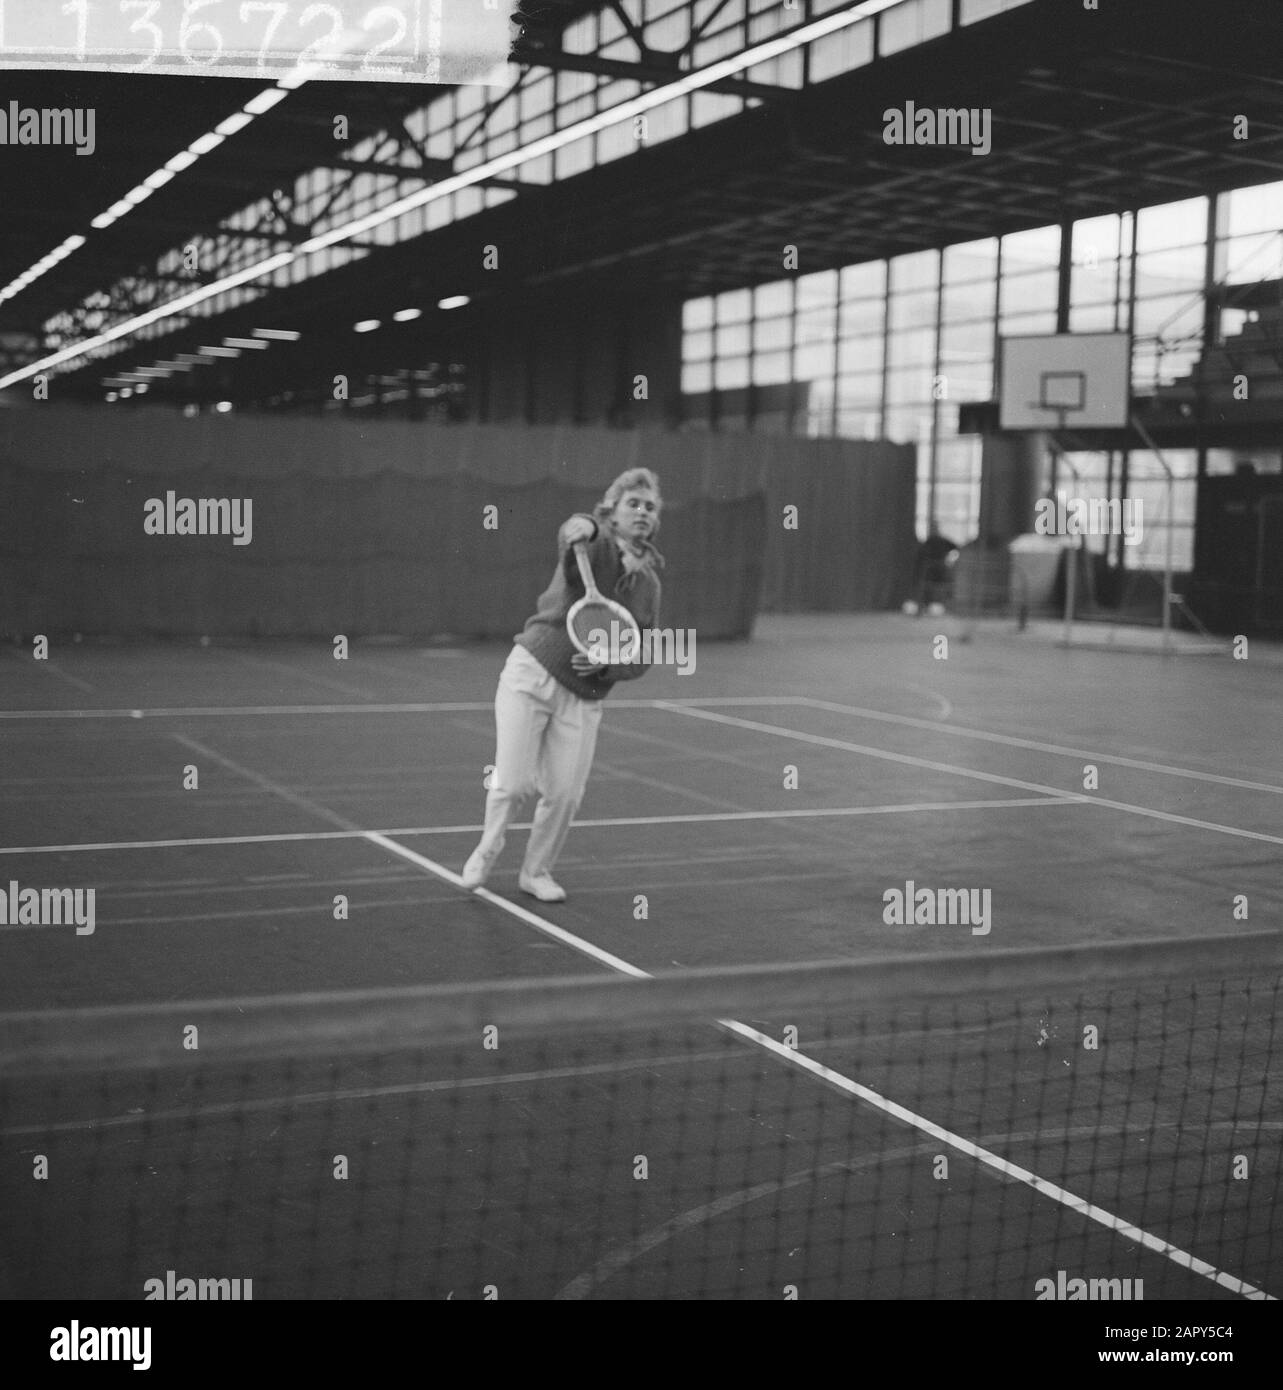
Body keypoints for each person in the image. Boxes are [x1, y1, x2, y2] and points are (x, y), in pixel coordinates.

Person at [461, 468, 665, 902]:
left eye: (650, 507)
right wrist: (583, 525)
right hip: (531, 674)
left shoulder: (648, 585)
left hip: (584, 695)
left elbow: (645, 650)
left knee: (566, 795)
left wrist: (607, 668)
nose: (643, 512)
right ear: (612, 510)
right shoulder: (596, 547)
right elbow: (576, 537)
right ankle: (487, 847)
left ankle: (536, 873)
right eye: (634, 503)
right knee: (513, 784)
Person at [903, 522, 960, 617]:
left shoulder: (943, 541)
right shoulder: (927, 542)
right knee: (925, 586)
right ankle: (922, 607)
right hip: (929, 570)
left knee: (939, 587)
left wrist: (950, 560)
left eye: (935, 528)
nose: (934, 530)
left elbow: (955, 548)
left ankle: (936, 605)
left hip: (940, 569)